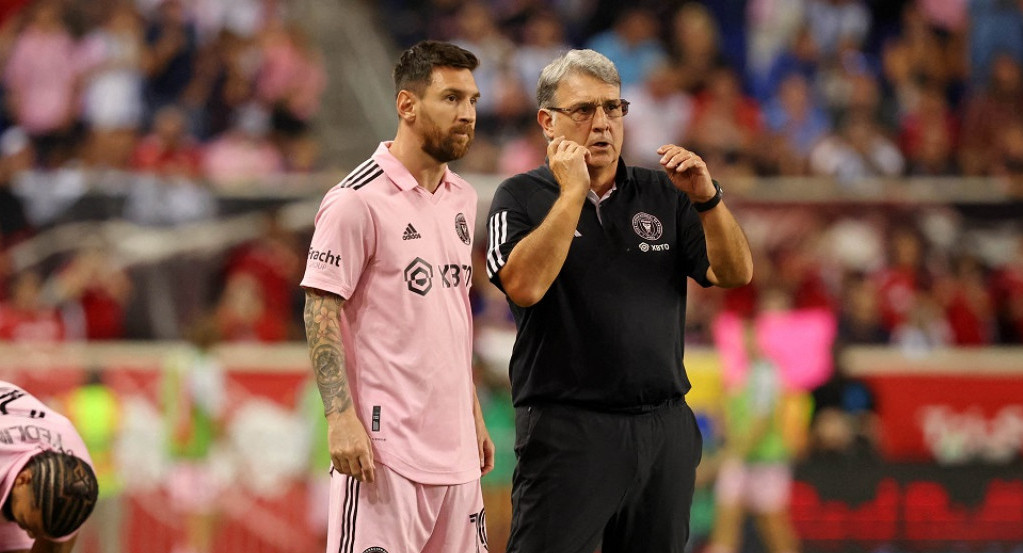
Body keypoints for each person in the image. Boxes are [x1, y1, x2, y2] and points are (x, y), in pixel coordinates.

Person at [484, 49, 753, 552]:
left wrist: (708, 199)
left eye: (613, 108)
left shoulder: (664, 193)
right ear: (547, 121)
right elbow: (524, 285)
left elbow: (735, 272)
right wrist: (572, 194)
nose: (602, 123)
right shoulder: (519, 197)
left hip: (662, 426)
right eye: (584, 110)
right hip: (569, 429)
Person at [300, 40, 494, 553]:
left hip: (457, 457)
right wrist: (340, 418)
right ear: (407, 106)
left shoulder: (464, 199)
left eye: (472, 101)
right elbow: (319, 308)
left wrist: (470, 411)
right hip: (384, 459)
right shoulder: (355, 201)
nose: (467, 114)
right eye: (451, 99)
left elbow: (449, 316)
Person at [0, 380, 99, 553]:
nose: (32, 536)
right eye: (25, 522)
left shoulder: (76, 490)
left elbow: (54, 547)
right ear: (23, 480)